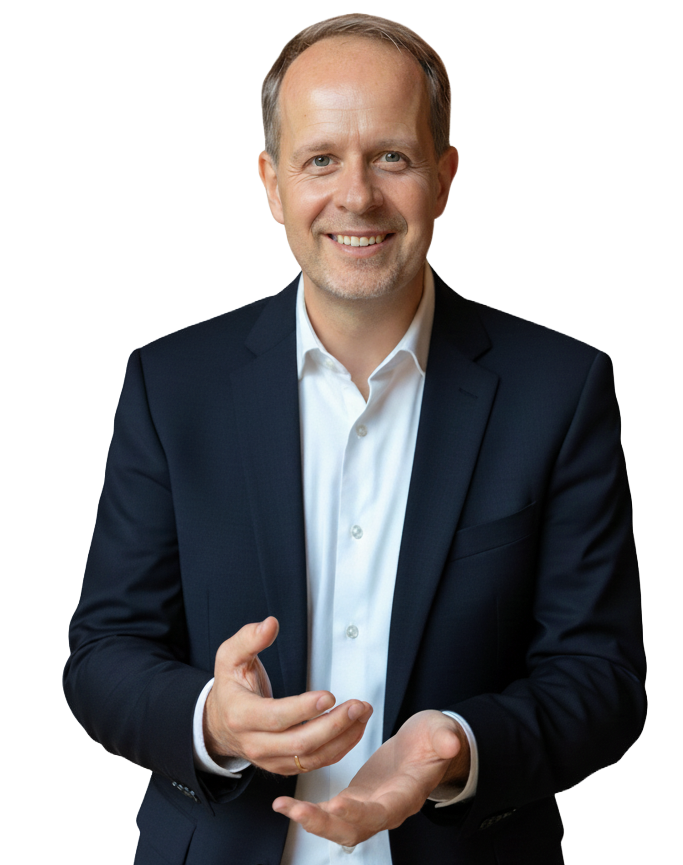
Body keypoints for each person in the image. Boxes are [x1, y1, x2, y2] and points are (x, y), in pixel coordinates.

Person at [64, 13, 645, 865]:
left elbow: (601, 677)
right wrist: (212, 721)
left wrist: (456, 747)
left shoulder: (559, 389)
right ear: (271, 182)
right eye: (320, 160)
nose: (357, 196)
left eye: (392, 157)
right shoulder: (170, 383)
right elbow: (103, 654)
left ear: (444, 178)